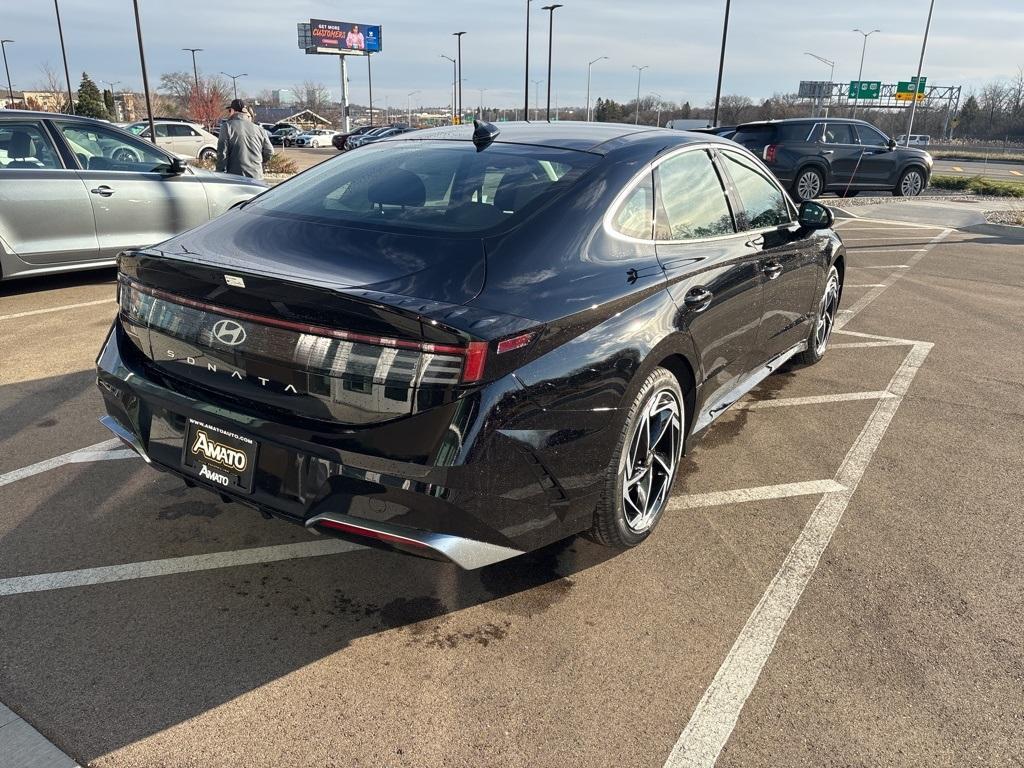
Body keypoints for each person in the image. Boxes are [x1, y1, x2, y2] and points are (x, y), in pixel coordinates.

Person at [216, 98, 273, 179]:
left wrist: (219, 175)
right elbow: (270, 151)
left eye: (229, 111)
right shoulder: (260, 130)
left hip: (236, 177)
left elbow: (222, 154)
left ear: (233, 110)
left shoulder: (227, 127)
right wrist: (259, 162)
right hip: (257, 177)